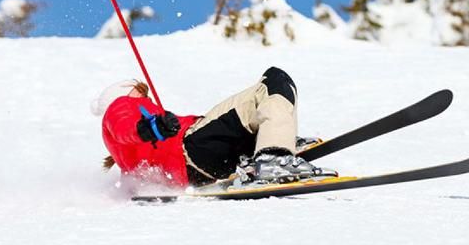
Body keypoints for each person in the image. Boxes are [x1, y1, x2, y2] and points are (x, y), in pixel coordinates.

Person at [92, 67, 335, 188]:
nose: (144, 94)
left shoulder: (122, 152)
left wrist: (153, 129)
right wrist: (151, 128)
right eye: (139, 89)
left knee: (243, 116)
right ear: (123, 92)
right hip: (194, 149)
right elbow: (125, 124)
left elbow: (130, 136)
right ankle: (274, 154)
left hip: (199, 170)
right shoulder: (122, 105)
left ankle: (265, 148)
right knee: (275, 81)